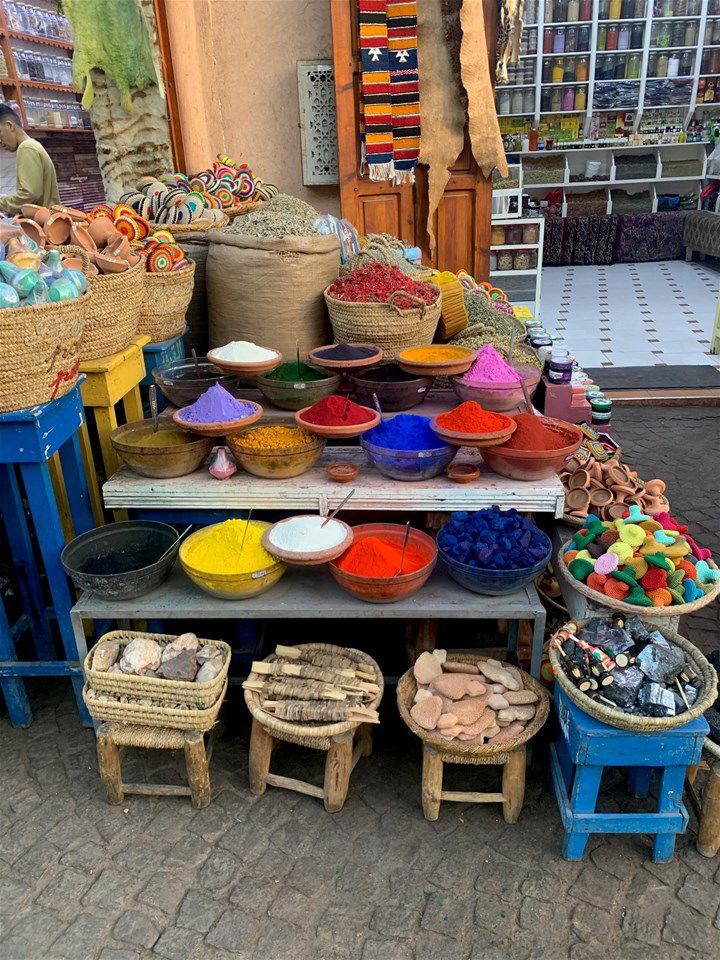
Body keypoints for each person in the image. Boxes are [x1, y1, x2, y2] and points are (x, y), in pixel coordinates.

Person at [0, 103, 60, 215]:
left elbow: (29, 194)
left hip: (40, 224)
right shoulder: (33, 145)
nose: (0, 141)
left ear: (10, 125)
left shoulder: (26, 147)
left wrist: (1, 203)